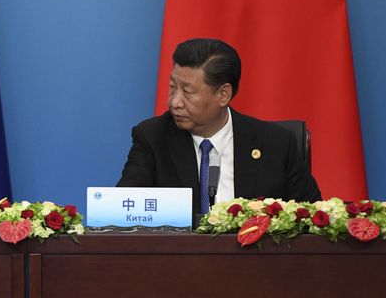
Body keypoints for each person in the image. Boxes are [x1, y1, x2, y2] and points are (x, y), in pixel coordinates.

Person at [117, 38, 320, 217]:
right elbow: (122, 212)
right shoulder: (153, 138)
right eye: (172, 88)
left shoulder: (276, 144)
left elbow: (312, 219)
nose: (175, 102)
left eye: (187, 92)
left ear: (223, 95)